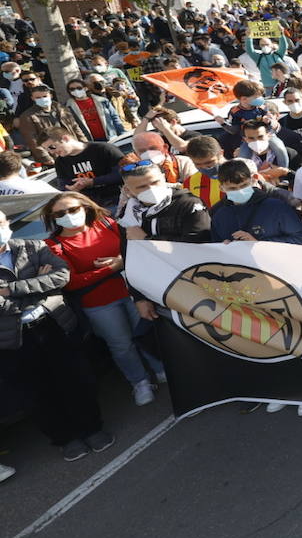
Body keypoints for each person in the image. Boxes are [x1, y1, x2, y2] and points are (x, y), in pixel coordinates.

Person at [0, 211, 114, 462]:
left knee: (77, 378)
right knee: (36, 392)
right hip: (12, 339)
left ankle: (92, 428)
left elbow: (61, 277)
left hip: (54, 323)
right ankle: (65, 438)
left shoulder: (31, 246)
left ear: (7, 224)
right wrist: (38, 282)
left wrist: (11, 290)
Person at [43, 192, 164, 406]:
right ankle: (140, 382)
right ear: (53, 217)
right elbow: (71, 281)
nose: (68, 215)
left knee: (147, 333)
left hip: (133, 292)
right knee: (121, 345)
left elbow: (133, 249)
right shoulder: (53, 245)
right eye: (60, 213)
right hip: (98, 303)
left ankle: (161, 369)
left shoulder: (107, 224)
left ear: (85, 207)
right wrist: (115, 266)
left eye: (72, 209)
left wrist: (120, 261)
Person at [210, 159, 302, 246]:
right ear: (221, 188)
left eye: (244, 185)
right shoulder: (218, 214)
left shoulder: (276, 207)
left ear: (252, 181)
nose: (239, 190)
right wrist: (223, 246)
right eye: (232, 188)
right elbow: (214, 246)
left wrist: (259, 243)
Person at [120, 162, 211, 243]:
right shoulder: (128, 212)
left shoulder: (189, 204)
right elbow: (126, 246)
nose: (151, 189)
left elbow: (198, 242)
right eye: (142, 187)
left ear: (164, 178)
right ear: (128, 190)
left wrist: (146, 239)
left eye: (155, 182)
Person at [42, 127, 124, 209]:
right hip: (89, 206)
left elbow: (124, 173)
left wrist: (92, 182)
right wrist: (72, 189)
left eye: (52, 147)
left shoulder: (103, 149)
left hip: (117, 199)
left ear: (65, 138)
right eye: (47, 150)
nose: (51, 152)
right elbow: (63, 187)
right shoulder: (60, 162)